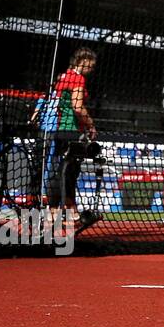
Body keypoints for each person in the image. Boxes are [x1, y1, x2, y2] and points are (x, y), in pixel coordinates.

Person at [40, 48, 99, 235]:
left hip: (57, 129)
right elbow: (77, 107)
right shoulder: (77, 79)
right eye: (92, 65)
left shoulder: (63, 77)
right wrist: (91, 125)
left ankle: (62, 210)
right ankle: (62, 211)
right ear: (84, 61)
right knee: (69, 171)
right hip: (70, 130)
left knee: (63, 170)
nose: (92, 69)